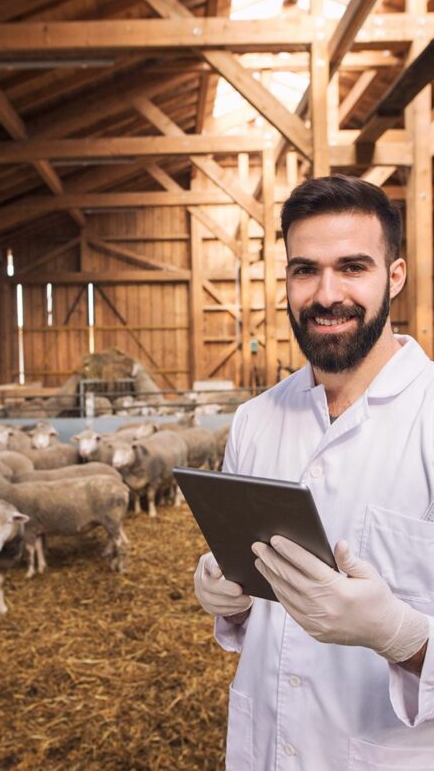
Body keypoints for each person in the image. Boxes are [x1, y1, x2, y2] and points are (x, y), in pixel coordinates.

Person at [193, 175, 434, 769]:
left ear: (394, 277)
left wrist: (403, 637)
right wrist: (231, 599)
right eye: (305, 270)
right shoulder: (254, 421)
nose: (327, 294)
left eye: (353, 266)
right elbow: (260, 625)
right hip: (265, 747)